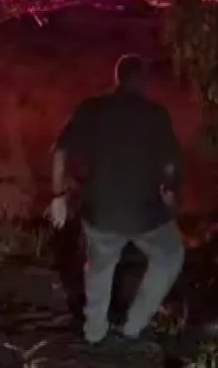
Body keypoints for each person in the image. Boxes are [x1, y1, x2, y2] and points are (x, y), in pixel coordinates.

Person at [47, 53, 185, 345]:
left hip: (101, 214)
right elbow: (170, 170)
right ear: (144, 81)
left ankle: (94, 332)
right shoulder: (156, 114)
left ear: (117, 78)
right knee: (170, 256)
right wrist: (171, 201)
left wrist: (58, 197)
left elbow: (60, 152)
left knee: (99, 267)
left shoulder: (90, 109)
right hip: (145, 216)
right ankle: (134, 325)